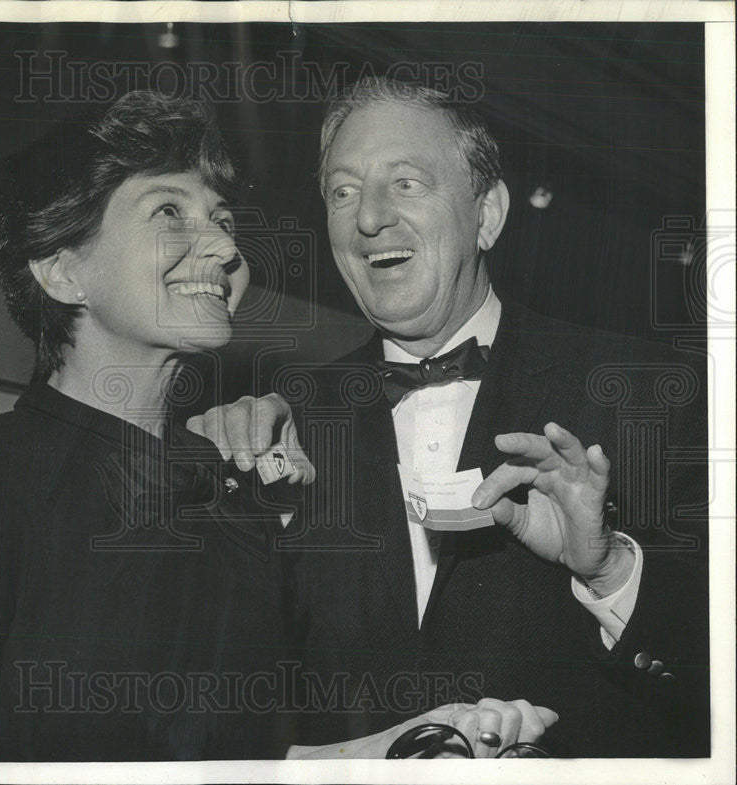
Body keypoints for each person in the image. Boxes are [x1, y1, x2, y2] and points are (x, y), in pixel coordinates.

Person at [0, 90, 555, 762]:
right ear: (60, 270)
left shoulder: (240, 494)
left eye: (219, 218)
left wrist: (411, 740)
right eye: (169, 214)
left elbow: (242, 761)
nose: (222, 247)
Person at [188, 78, 709, 757]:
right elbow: (224, 701)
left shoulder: (647, 391)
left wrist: (609, 567)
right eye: (343, 191)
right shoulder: (290, 422)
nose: (368, 217)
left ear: (487, 214)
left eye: (405, 183)